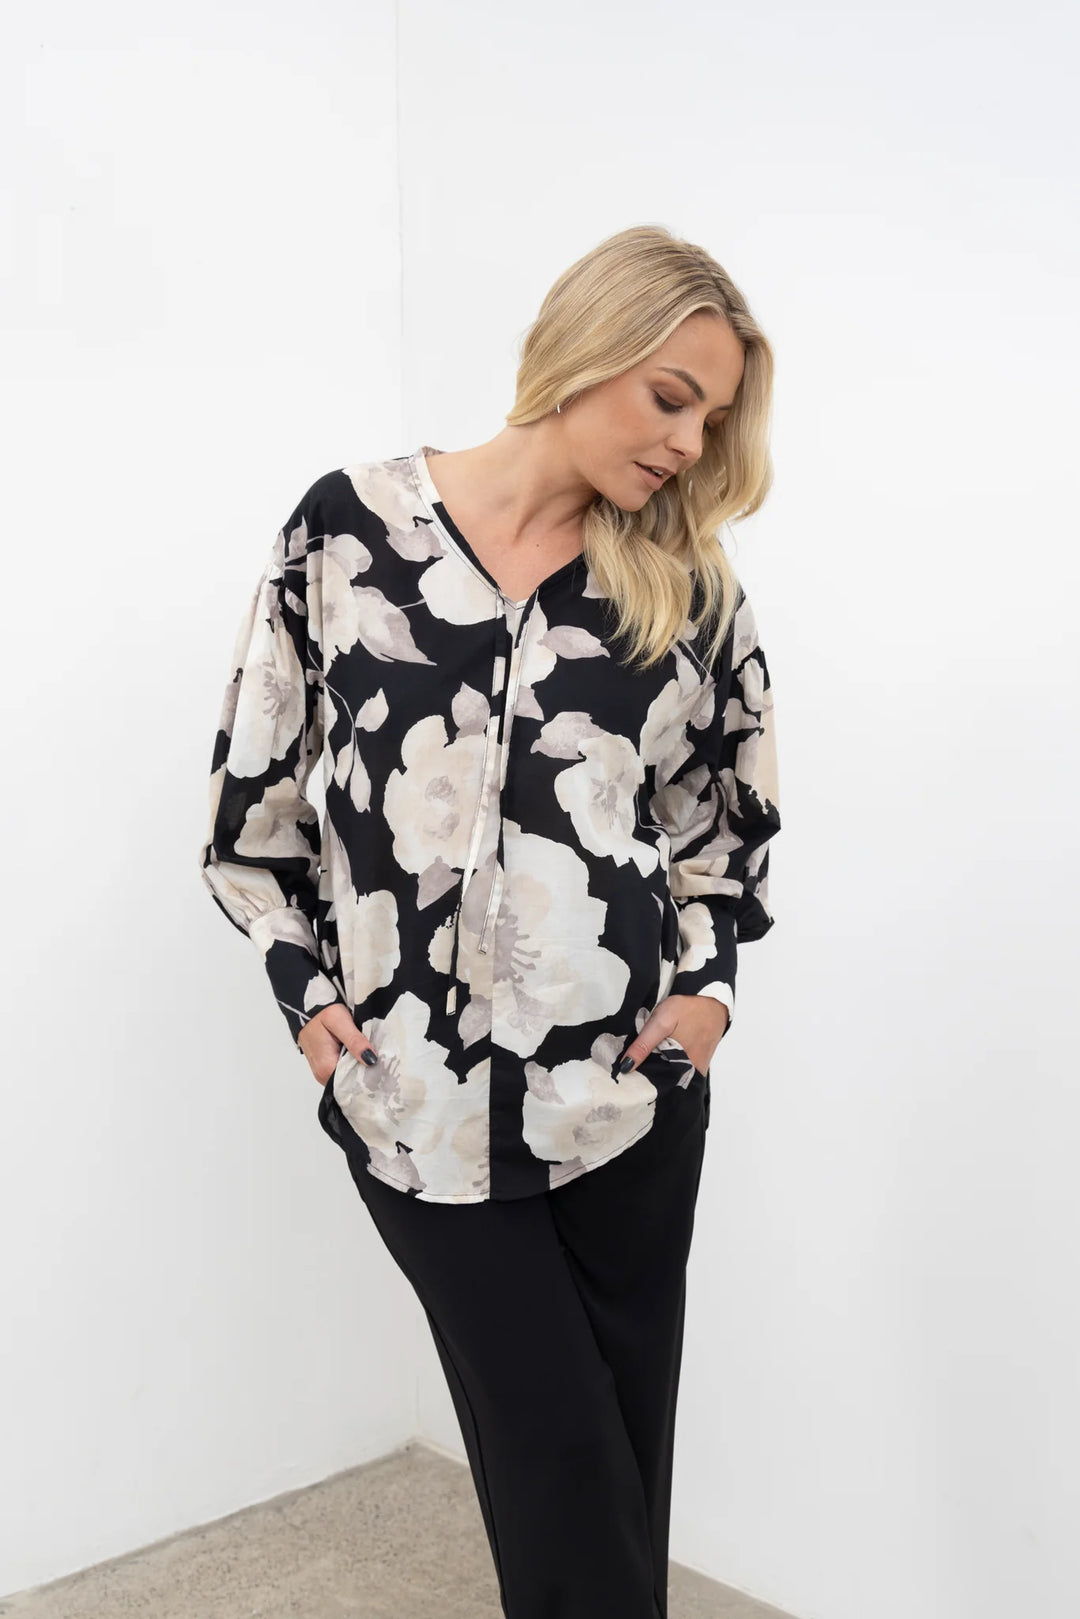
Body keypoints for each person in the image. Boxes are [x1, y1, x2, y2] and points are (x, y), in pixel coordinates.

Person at [198, 223, 782, 1619]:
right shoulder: (347, 535)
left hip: (628, 1103)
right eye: (672, 398)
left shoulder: (689, 590)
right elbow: (250, 822)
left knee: (613, 1485)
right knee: (564, 1467)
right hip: (416, 1104)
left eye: (712, 419)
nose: (690, 444)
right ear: (588, 347)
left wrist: (704, 999)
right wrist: (309, 1002)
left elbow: (726, 835)